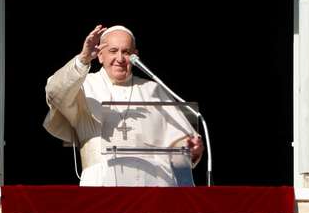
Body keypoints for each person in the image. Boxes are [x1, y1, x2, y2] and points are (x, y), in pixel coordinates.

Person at [43, 24, 204, 186]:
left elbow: (178, 147)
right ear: (100, 55)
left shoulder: (153, 90)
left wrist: (188, 149)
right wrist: (83, 58)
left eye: (126, 52)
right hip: (103, 184)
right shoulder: (84, 86)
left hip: (155, 187)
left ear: (135, 56)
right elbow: (54, 93)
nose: (120, 59)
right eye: (113, 51)